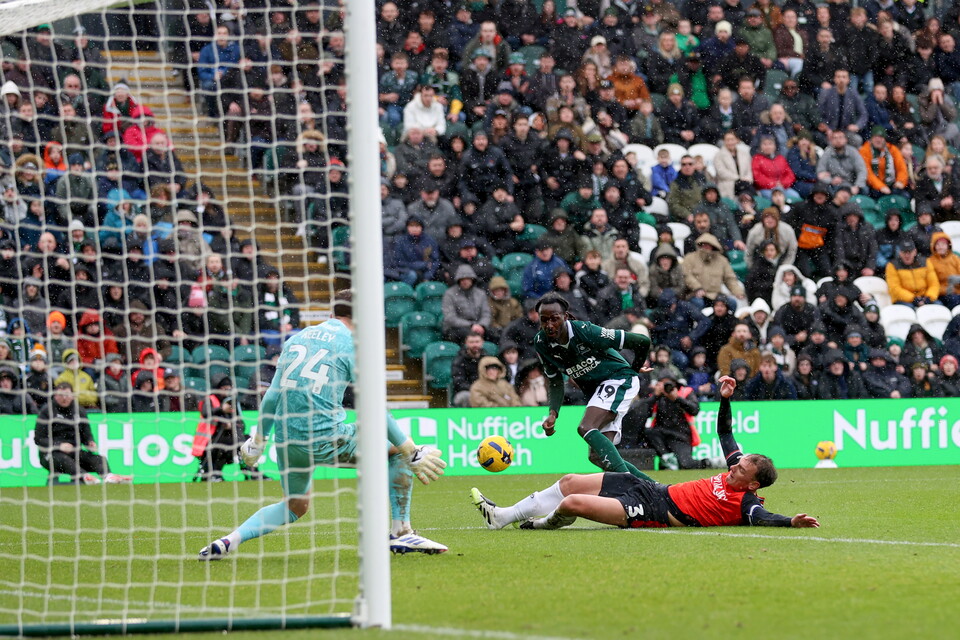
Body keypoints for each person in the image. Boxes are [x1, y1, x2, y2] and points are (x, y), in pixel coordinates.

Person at [198, 291, 447, 560]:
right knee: (396, 451)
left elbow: (272, 395)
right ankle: (401, 533)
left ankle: (229, 540)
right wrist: (411, 450)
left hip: (287, 438)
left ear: (332, 313)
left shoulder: (298, 337)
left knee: (294, 506)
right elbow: (373, 406)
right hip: (327, 436)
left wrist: (258, 441)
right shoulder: (354, 344)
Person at [471, 375, 820, 530]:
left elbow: (763, 519)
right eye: (738, 463)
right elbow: (725, 432)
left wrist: (791, 521)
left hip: (652, 511)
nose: (733, 468)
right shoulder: (736, 472)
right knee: (568, 482)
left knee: (572, 505)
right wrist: (726, 398)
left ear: (753, 485)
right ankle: (502, 516)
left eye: (741, 470)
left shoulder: (746, 504)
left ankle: (543, 525)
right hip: (655, 490)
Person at [533, 293, 655, 480]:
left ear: (565, 317)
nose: (549, 325)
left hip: (619, 379)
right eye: (544, 320)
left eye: (554, 319)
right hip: (599, 392)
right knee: (597, 456)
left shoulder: (586, 331)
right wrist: (553, 412)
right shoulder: (542, 343)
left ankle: (631, 484)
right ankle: (655, 489)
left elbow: (642, 342)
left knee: (585, 427)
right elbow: (555, 380)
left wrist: (634, 368)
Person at [34, 381, 127, 484]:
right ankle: (85, 477)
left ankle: (108, 477)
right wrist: (59, 446)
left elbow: (86, 434)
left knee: (99, 459)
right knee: (64, 460)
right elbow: (39, 439)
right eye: (61, 395)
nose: (64, 398)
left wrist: (90, 442)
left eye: (67, 395)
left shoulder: (79, 411)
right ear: (55, 396)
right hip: (50, 454)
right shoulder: (46, 411)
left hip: (74, 452)